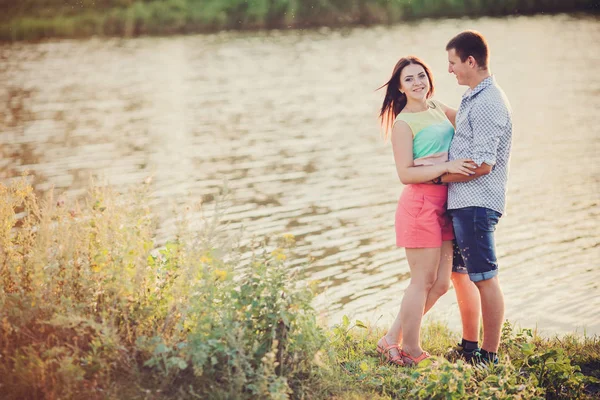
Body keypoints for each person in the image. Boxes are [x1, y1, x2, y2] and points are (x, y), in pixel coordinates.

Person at [376, 56, 477, 366]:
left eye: (421, 76)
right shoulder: (403, 123)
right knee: (421, 281)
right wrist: (447, 166)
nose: (418, 82)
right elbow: (405, 174)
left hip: (444, 205)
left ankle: (391, 339)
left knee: (442, 283)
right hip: (420, 205)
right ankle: (413, 349)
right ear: (400, 87)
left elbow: (465, 119)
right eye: (409, 79)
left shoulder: (435, 107)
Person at [439, 30, 513, 365]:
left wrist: (438, 175)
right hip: (463, 204)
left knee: (485, 278)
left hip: (476, 204)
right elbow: (468, 127)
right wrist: (437, 108)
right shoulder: (474, 97)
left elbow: (483, 164)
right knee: (461, 276)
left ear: (470, 61)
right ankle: (469, 347)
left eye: (453, 63)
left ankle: (490, 355)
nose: (450, 70)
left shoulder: (489, 102)